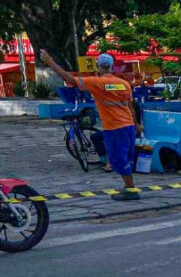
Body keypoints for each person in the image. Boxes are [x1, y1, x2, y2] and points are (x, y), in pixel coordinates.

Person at [40, 49, 142, 200]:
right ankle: (129, 186)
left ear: (98, 66)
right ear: (112, 66)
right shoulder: (124, 84)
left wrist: (50, 62)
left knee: (117, 159)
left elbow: (68, 78)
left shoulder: (96, 82)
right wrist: (137, 124)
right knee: (125, 157)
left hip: (113, 127)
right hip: (128, 126)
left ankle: (130, 189)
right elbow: (130, 105)